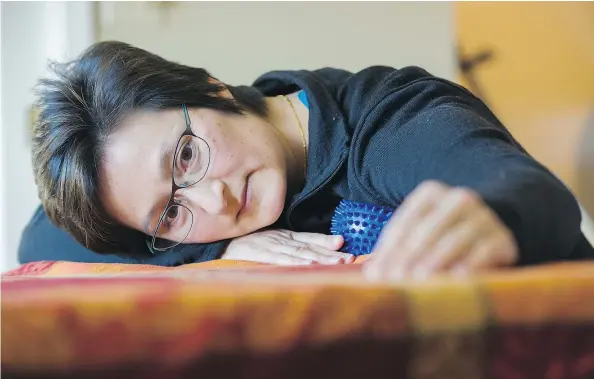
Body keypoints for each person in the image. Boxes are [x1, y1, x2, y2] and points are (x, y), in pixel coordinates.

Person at [21, 41, 594, 281]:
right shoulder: (202, 226)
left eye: (187, 156)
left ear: (213, 90)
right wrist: (214, 248)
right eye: (170, 213)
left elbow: (523, 187)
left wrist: (492, 213)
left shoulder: (382, 117)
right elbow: (37, 242)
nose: (213, 200)